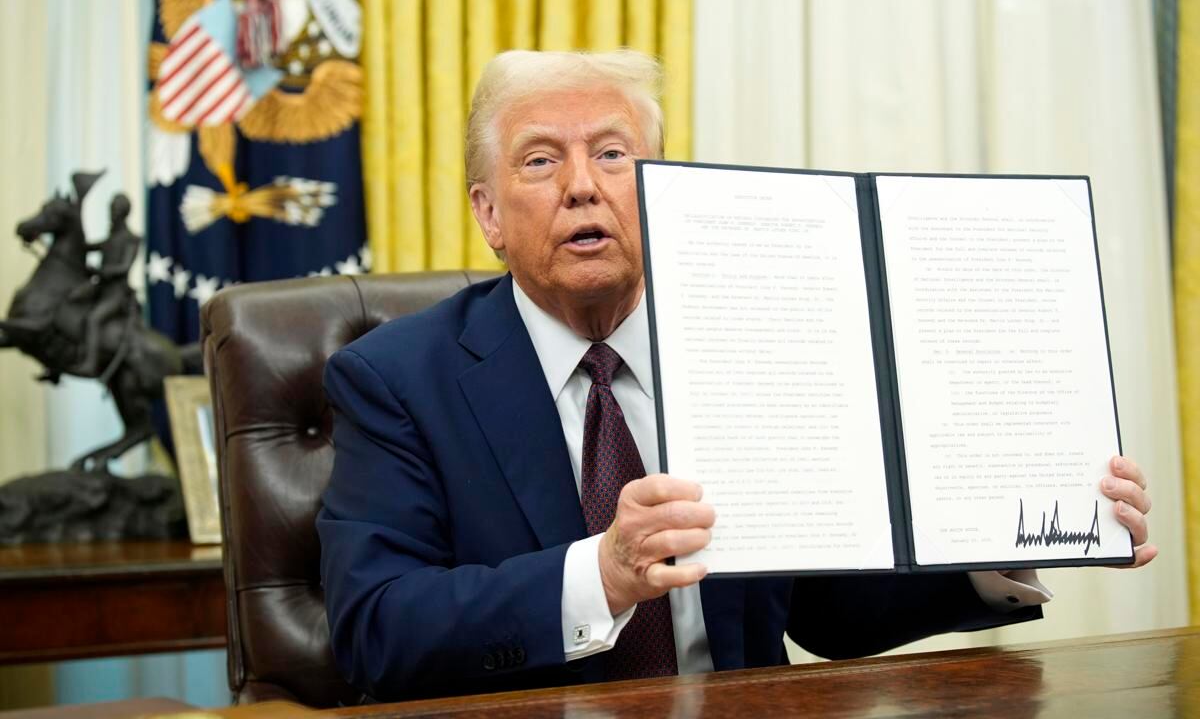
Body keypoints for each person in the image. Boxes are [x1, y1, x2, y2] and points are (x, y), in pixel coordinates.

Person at [316, 50, 1156, 702]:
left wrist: (1018, 529)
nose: (581, 188)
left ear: (661, 188)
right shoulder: (394, 379)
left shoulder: (756, 345)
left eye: (613, 154)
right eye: (539, 162)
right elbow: (377, 629)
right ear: (489, 213)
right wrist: (599, 578)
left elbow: (825, 611)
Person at [71, 194, 140, 378]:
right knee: (69, 304)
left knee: (94, 318)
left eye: (115, 210)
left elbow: (124, 267)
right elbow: (85, 247)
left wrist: (101, 271)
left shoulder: (131, 239)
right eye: (111, 209)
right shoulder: (110, 238)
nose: (112, 213)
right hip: (100, 289)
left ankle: (90, 364)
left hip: (116, 294)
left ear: (123, 213)